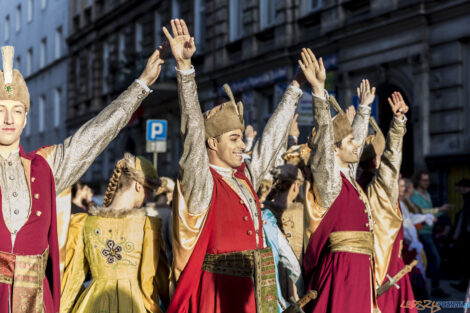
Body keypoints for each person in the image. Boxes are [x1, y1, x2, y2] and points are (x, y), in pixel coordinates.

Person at [0, 43, 164, 313]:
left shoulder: (44, 169)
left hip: (36, 303)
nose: (8, 119)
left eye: (17, 110)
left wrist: (141, 86)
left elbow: (93, 137)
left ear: (26, 118)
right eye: (0, 109)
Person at [164, 19, 304, 313]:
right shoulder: (202, 180)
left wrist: (295, 87)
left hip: (254, 295)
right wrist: (185, 71)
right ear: (212, 143)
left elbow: (269, 144)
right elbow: (192, 131)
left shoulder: (243, 178)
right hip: (219, 297)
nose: (243, 145)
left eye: (241, 138)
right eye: (235, 138)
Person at [300, 49, 381, 313]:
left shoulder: (350, 178)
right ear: (334, 149)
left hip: (359, 269)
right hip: (341, 272)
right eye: (348, 142)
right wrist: (319, 91)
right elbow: (325, 138)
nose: (357, 144)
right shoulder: (330, 178)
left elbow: (353, 145)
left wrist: (364, 109)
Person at [60, 153, 170, 313]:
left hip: (93, 304)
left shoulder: (85, 223)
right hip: (133, 303)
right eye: (149, 190)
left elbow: (72, 278)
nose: (148, 197)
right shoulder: (147, 226)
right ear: (138, 186)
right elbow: (162, 279)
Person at [410, 170, 452, 297]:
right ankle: (433, 288)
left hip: (429, 231)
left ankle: (424, 288)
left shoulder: (426, 194)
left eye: (428, 180)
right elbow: (421, 212)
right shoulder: (414, 195)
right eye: (424, 180)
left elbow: (430, 213)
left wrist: (442, 211)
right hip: (420, 231)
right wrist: (439, 209)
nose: (427, 182)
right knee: (434, 259)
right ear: (418, 181)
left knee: (427, 261)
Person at [399, 177, 432, 300]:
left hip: (412, 239)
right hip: (407, 242)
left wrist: (425, 218)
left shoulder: (404, 202)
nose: (406, 189)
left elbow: (410, 219)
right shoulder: (401, 202)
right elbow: (406, 222)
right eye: (403, 186)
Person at [146, 176, 175, 263]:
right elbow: (172, 241)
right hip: (163, 261)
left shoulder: (145, 210)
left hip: (146, 259)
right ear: (169, 193)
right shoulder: (169, 213)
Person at [451, 178, 470, 292]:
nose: (458, 190)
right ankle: (464, 284)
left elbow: (466, 219)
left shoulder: (468, 198)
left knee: (466, 261)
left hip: (467, 236)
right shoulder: (466, 198)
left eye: (460, 187)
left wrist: (458, 233)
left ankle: (464, 285)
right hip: (466, 234)